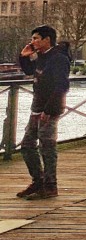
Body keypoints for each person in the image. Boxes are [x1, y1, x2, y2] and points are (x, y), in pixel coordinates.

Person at [16, 25, 71, 200]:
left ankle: (50, 186)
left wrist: (49, 110)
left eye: (36, 38)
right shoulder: (42, 56)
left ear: (47, 40)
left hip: (50, 109)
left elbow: (62, 85)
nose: (32, 42)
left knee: (47, 147)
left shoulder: (59, 58)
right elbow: (30, 71)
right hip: (37, 107)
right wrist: (23, 57)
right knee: (27, 145)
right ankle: (38, 181)